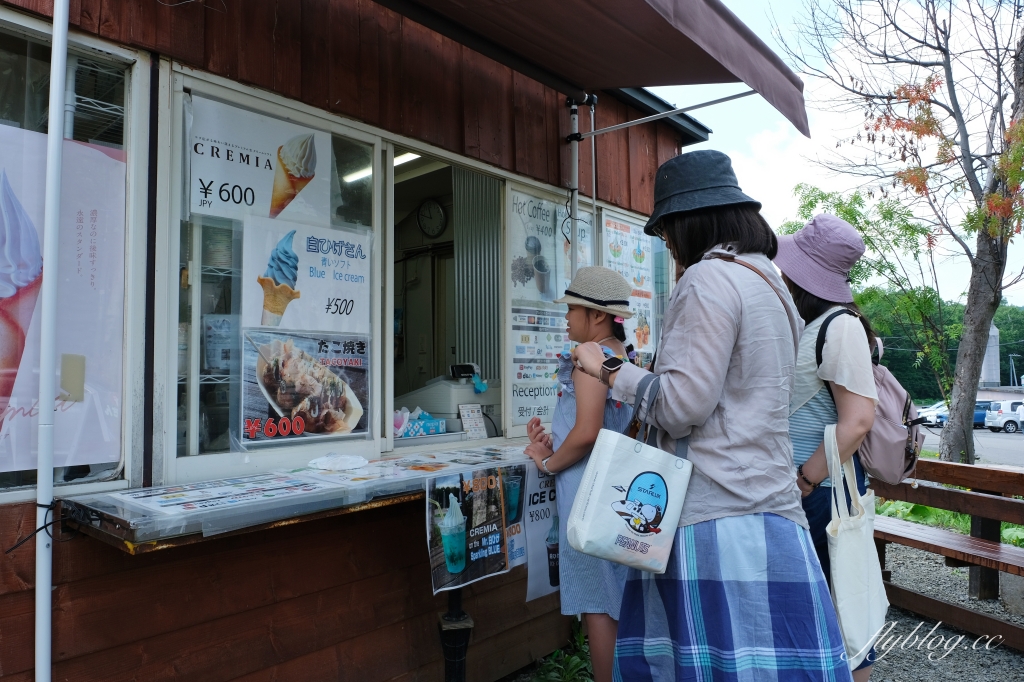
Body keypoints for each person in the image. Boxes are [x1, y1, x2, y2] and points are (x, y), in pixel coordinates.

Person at [573, 150, 852, 681]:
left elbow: (682, 405)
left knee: (708, 666)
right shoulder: (770, 282)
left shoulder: (706, 279)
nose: (670, 247)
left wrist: (610, 369)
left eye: (668, 233)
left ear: (687, 223)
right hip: (772, 510)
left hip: (713, 516)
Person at [774, 214, 880, 682]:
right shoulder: (815, 322)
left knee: (841, 612)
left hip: (820, 489)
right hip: (808, 486)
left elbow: (857, 422)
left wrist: (803, 479)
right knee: (816, 611)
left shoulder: (839, 326)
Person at [523, 266, 635, 682]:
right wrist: (553, 442)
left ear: (599, 316)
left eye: (573, 309)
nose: (567, 317)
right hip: (614, 491)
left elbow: (587, 433)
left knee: (598, 603)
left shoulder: (591, 360)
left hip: (588, 495)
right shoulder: (623, 357)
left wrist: (548, 462)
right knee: (615, 597)